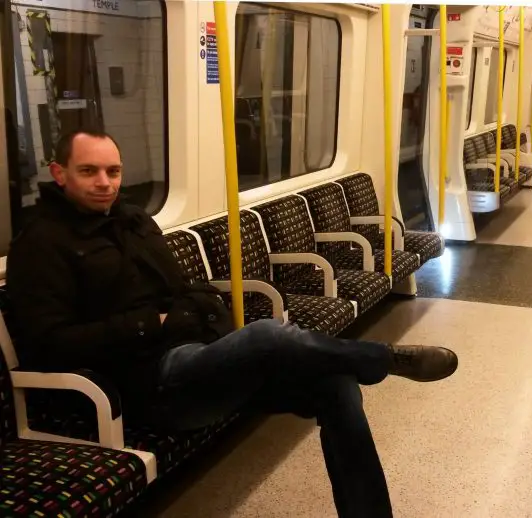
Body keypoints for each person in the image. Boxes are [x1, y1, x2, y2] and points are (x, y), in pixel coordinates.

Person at [6, 129, 458, 517]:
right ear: (59, 173)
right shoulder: (42, 244)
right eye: (89, 172)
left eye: (114, 171)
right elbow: (48, 344)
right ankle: (382, 358)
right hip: (146, 385)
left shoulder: (134, 220)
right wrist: (150, 324)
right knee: (265, 334)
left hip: (201, 359)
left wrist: (202, 315)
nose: (105, 183)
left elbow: (185, 285)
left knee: (337, 385)